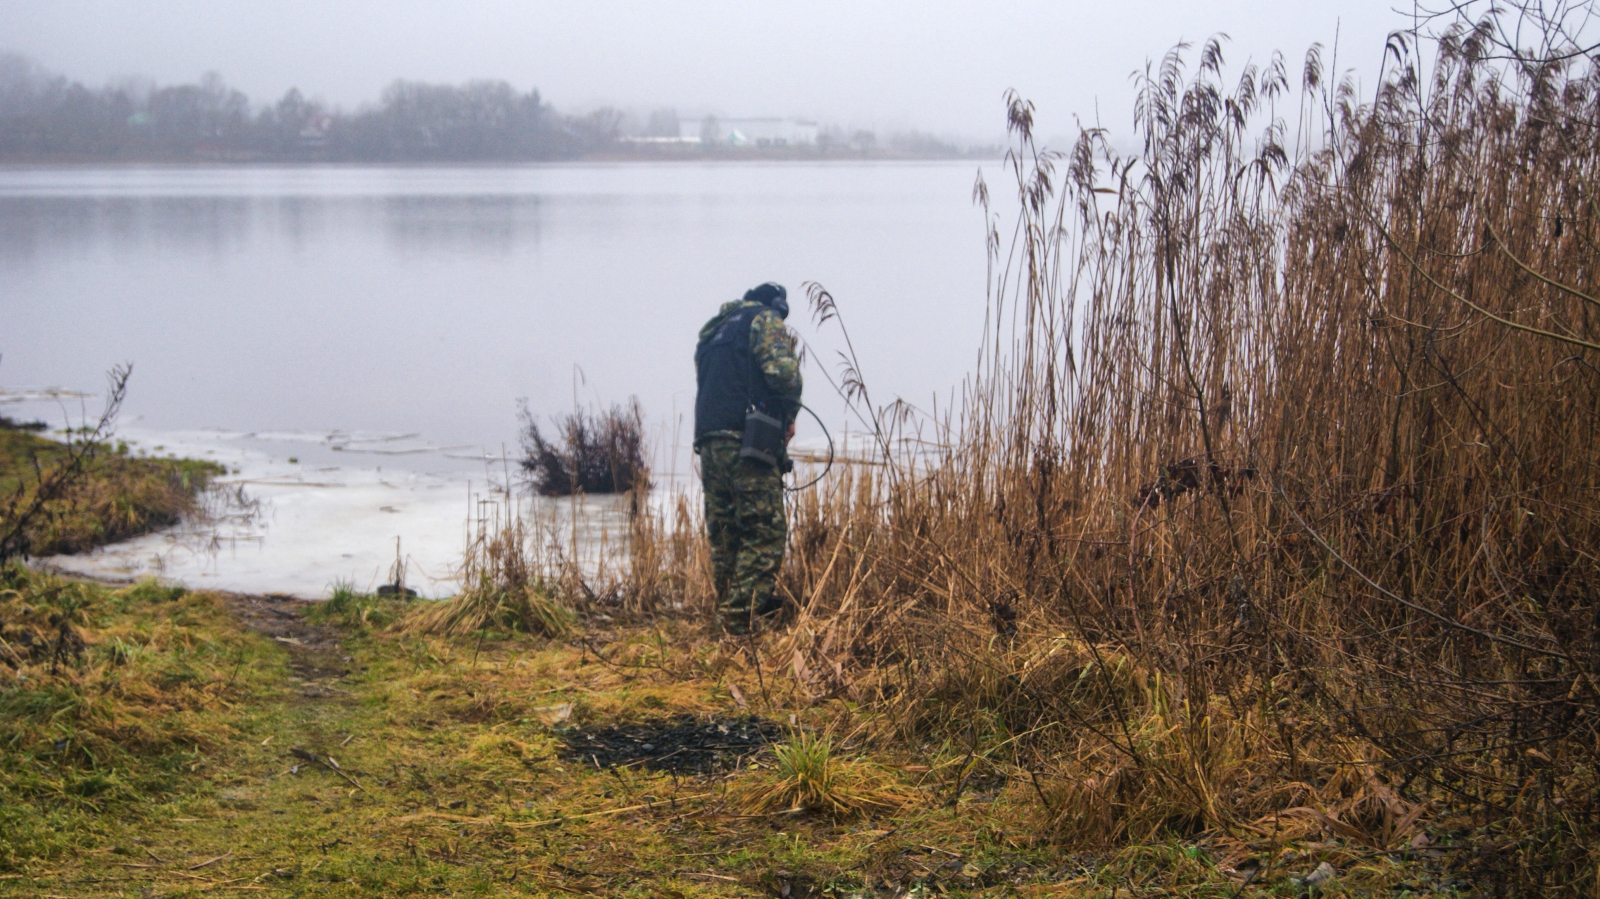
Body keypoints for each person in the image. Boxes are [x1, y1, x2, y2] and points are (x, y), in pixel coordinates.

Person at [694, 282, 802, 634]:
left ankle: (731, 624)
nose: (780, 320)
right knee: (764, 535)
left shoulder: (713, 331)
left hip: (710, 443)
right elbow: (783, 374)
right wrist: (789, 414)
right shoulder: (764, 319)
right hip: (748, 442)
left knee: (727, 538)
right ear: (773, 306)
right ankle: (735, 620)